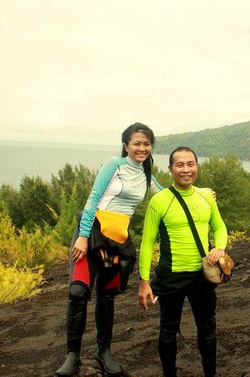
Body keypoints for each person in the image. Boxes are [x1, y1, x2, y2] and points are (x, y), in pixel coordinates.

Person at [55, 123, 163, 377]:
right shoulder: (114, 165)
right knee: (78, 291)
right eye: (137, 143)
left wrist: (202, 192)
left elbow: (169, 196)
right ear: (126, 145)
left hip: (118, 241)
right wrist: (82, 236)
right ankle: (72, 356)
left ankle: (103, 353)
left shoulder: (148, 176)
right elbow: (93, 199)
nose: (142, 148)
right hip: (92, 233)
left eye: (146, 144)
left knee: (106, 296)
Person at [138, 147, 228, 377]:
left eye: (191, 164)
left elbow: (219, 226)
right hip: (171, 277)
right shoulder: (159, 201)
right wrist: (144, 281)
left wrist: (219, 248)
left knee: (208, 329)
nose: (186, 169)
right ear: (170, 169)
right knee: (168, 330)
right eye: (180, 165)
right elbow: (147, 243)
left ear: (197, 166)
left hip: (202, 276)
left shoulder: (206, 196)